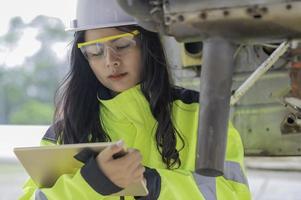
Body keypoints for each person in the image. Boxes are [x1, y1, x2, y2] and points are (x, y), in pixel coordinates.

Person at [20, 0, 251, 199]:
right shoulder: (64, 134)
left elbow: (234, 194)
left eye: (121, 45)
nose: (111, 61)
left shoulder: (201, 115)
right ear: (84, 59)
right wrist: (91, 183)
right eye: (95, 52)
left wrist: (153, 185)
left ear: (148, 45)